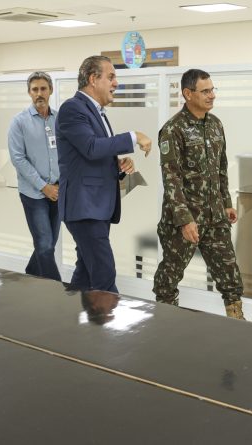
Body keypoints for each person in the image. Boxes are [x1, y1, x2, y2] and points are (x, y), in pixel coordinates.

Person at [152, 69, 246, 320]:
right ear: (187, 93)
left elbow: (221, 168)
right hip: (185, 219)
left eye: (212, 90)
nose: (212, 95)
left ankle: (236, 318)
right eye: (205, 91)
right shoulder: (173, 129)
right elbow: (171, 179)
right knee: (170, 275)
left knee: (229, 272)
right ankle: (165, 320)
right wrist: (185, 220)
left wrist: (226, 203)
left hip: (215, 216)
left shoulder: (215, 124)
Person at [56, 55, 152, 293]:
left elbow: (90, 154)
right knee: (104, 274)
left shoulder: (97, 111)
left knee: (85, 273)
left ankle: (73, 315)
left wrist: (117, 163)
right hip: (84, 207)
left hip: (96, 207)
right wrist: (133, 136)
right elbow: (90, 147)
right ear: (93, 79)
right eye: (111, 77)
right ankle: (109, 317)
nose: (116, 83)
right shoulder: (72, 108)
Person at [8, 72, 61, 281]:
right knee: (45, 246)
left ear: (50, 90)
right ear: (29, 92)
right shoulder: (19, 122)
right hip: (33, 193)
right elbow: (18, 158)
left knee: (48, 244)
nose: (39, 93)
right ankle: (56, 290)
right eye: (35, 89)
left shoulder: (60, 119)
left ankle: (30, 274)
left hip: (58, 191)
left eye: (43, 89)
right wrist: (43, 186)